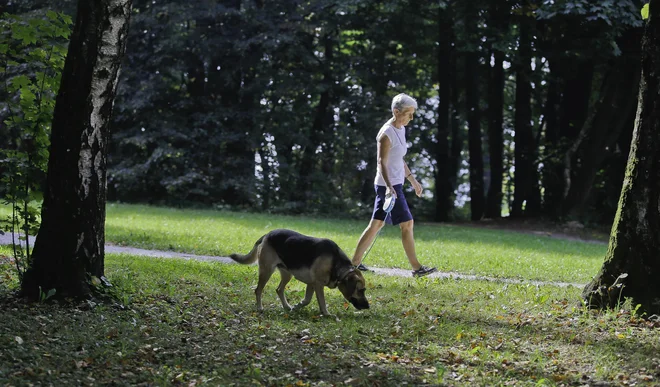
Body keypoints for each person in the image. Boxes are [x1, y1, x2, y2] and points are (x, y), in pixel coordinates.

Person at [352, 93, 438, 277]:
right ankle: (417, 268)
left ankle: (354, 264)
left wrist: (413, 180)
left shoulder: (401, 129)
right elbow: (381, 163)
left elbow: (399, 159)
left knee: (376, 225)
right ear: (396, 111)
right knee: (407, 224)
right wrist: (390, 187)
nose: (411, 118)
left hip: (395, 184)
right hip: (387, 187)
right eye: (408, 113)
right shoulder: (386, 133)